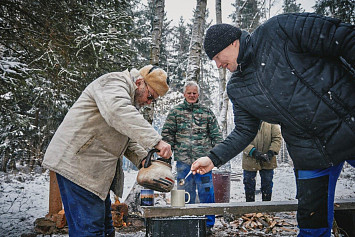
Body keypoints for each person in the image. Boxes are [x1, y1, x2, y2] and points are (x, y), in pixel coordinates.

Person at [191, 13, 355, 237]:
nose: (218, 64)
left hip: (349, 123)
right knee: (311, 227)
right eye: (214, 61)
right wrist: (212, 158)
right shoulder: (237, 88)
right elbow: (244, 130)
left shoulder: (278, 30)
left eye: (218, 56)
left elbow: (342, 37)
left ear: (233, 42)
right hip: (311, 152)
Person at [42, 65, 172, 236]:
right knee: (90, 231)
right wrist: (157, 142)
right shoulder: (113, 83)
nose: (149, 102)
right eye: (150, 96)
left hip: (93, 173)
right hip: (78, 167)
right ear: (140, 82)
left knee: (105, 230)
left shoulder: (127, 98)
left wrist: (144, 161)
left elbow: (126, 136)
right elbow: (118, 112)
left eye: (153, 100)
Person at [161, 81, 223, 235]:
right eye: (189, 93)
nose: (192, 95)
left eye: (194, 93)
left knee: (206, 192)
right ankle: (186, 221)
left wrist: (217, 156)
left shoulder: (207, 112)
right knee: (184, 193)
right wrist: (167, 155)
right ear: (184, 94)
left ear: (198, 94)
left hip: (203, 163)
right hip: (183, 162)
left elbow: (216, 136)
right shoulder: (175, 112)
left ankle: (208, 224)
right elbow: (167, 135)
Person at [242, 121, 281, 202]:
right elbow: (241, 139)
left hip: (268, 159)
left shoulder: (271, 119)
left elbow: (277, 138)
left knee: (267, 183)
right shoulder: (246, 119)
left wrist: (271, 152)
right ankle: (249, 207)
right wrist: (253, 151)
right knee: (249, 183)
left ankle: (266, 207)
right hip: (250, 158)